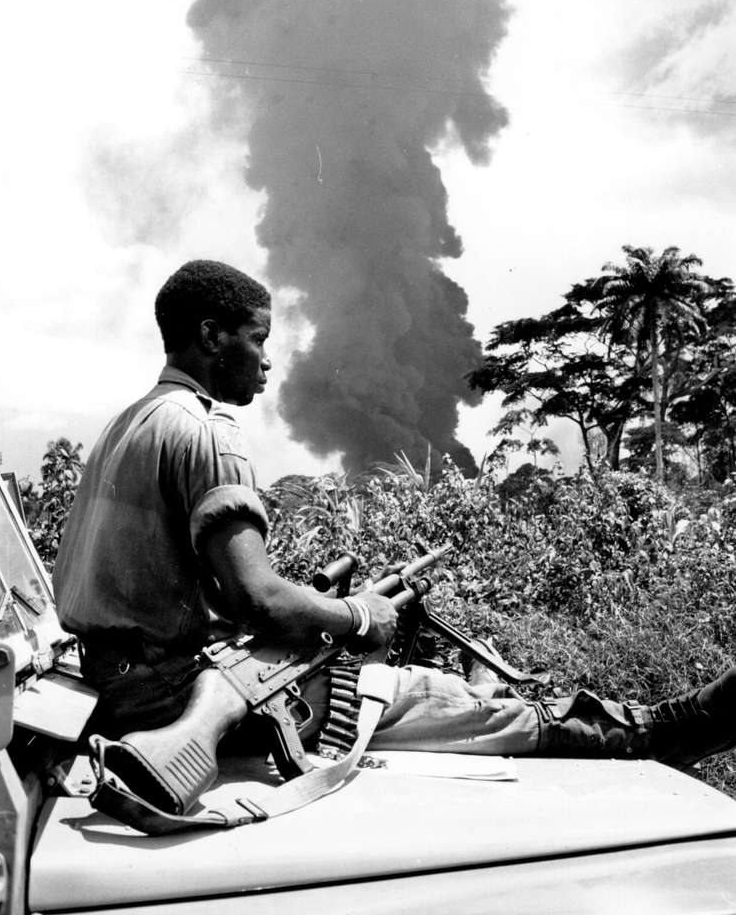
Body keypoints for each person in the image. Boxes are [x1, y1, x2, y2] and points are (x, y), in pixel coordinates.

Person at [53, 259, 736, 771]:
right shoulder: (207, 430)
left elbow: (204, 590)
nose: (267, 360)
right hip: (179, 696)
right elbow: (258, 598)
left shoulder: (125, 426)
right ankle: (658, 729)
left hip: (119, 687)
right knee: (428, 698)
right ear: (211, 335)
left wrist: (320, 609)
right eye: (258, 338)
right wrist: (359, 617)